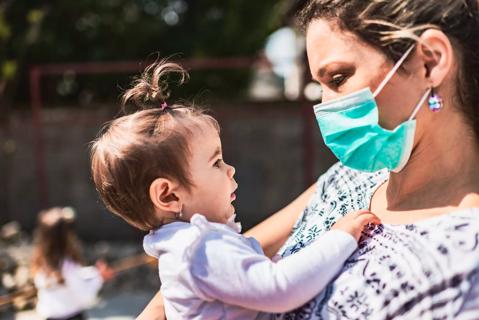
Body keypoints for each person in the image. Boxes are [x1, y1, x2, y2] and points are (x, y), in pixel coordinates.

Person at [137, 0, 479, 319]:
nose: (325, 105)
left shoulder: (464, 260)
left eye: (339, 78)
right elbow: (192, 276)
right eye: (320, 85)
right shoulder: (348, 179)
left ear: (429, 62)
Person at [89, 61, 380, 319]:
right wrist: (340, 238)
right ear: (168, 195)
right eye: (216, 162)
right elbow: (279, 288)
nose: (231, 170)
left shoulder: (191, 244)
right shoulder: (198, 248)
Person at [31, 207, 115, 320]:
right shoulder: (68, 265)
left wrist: (94, 272)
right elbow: (86, 297)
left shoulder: (40, 262)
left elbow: (71, 278)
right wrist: (99, 278)